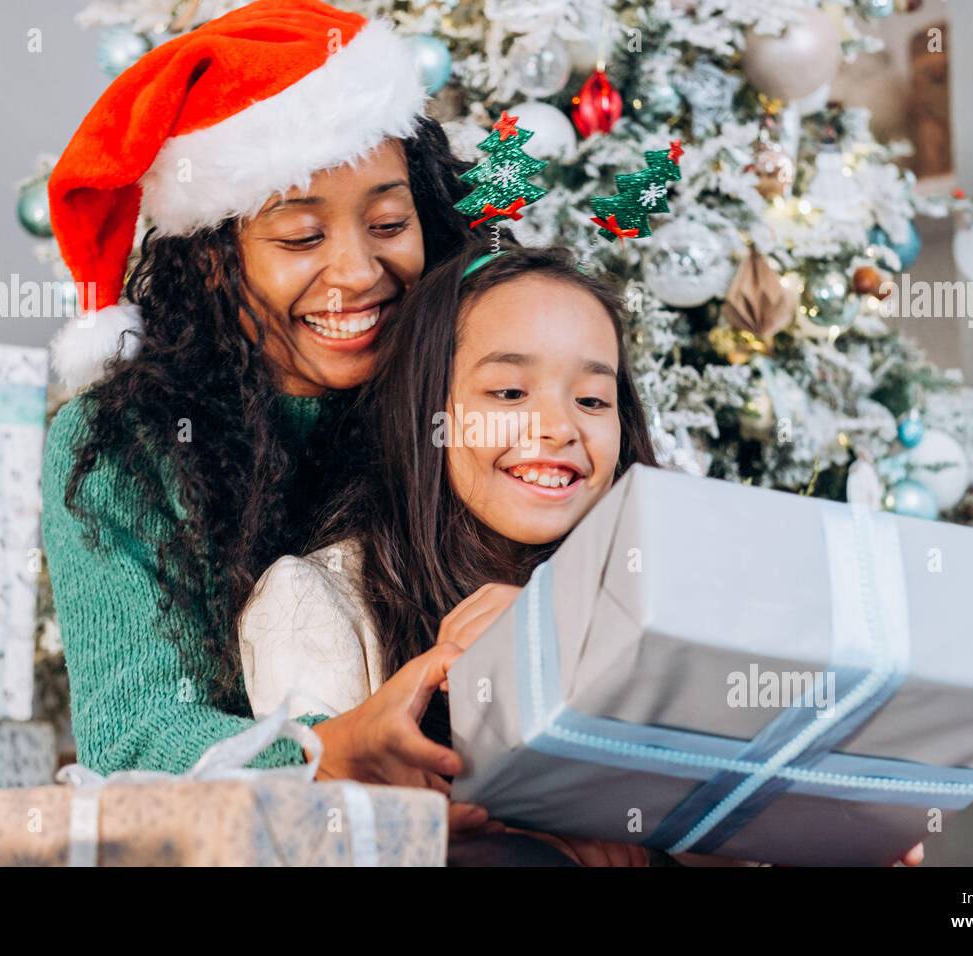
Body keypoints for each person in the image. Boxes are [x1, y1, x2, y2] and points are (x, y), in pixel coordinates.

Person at [41, 0, 499, 843]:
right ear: (213, 260)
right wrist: (335, 752)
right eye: (300, 237)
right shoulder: (125, 446)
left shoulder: (473, 385)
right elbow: (136, 738)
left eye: (390, 223)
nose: (359, 271)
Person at [238, 244, 658, 865]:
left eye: (593, 400)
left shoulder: (652, 599)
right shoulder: (315, 601)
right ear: (427, 411)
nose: (560, 428)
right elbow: (317, 836)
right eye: (509, 392)